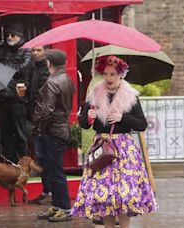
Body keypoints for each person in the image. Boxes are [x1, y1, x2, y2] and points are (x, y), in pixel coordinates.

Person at [71, 55, 158, 227]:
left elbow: (141, 124)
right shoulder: (95, 94)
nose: (108, 78)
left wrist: (122, 117)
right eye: (105, 74)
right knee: (104, 196)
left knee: (123, 196)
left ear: (121, 75)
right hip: (101, 148)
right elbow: (83, 123)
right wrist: (89, 117)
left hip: (123, 150)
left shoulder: (130, 96)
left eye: (112, 74)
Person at [33, 49, 75, 222]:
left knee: (56, 172)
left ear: (49, 63)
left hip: (52, 131)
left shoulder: (52, 81)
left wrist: (36, 123)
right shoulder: (67, 80)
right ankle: (57, 206)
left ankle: (64, 208)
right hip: (62, 128)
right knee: (52, 170)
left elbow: (45, 111)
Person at [0, 22, 32, 163]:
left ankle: (23, 165)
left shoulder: (26, 50)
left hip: (17, 99)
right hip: (2, 97)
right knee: (5, 135)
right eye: (7, 34)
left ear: (20, 36)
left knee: (20, 134)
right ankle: (9, 164)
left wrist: (3, 68)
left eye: (12, 35)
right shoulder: (1, 50)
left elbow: (22, 68)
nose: (9, 37)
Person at [27, 46, 52, 205]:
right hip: (37, 120)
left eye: (38, 50)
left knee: (49, 160)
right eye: (33, 50)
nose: (35, 53)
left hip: (45, 123)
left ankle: (50, 193)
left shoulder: (47, 71)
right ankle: (46, 191)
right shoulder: (34, 68)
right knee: (42, 158)